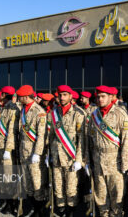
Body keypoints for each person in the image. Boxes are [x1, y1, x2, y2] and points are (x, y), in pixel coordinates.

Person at [86, 85, 128, 216]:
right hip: (98, 163)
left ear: (111, 97)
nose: (100, 99)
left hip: (115, 164)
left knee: (116, 200)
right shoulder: (94, 115)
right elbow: (89, 140)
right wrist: (88, 162)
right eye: (98, 97)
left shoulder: (121, 114)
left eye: (103, 96)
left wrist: (125, 164)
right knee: (101, 200)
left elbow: (126, 141)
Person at [46, 85, 85, 217]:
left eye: (64, 95)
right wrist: (48, 155)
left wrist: (79, 160)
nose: (61, 98)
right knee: (58, 188)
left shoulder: (78, 113)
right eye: (60, 95)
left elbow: (82, 140)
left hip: (71, 158)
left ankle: (71, 212)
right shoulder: (53, 113)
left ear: (71, 96)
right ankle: (61, 210)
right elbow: (50, 136)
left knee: (71, 189)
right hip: (56, 157)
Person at [17, 85, 48, 216]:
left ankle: (39, 211)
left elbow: (41, 135)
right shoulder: (23, 110)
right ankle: (33, 208)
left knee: (37, 184)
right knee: (27, 183)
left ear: (25, 97)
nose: (19, 98)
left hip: (34, 153)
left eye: (20, 96)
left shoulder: (38, 111)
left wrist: (37, 153)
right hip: (24, 152)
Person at [0, 86, 19, 213]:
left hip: (7, 149)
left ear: (4, 95)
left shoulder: (12, 109)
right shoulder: (4, 108)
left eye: (1, 94)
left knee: (8, 177)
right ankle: (6, 201)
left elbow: (11, 132)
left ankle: (12, 204)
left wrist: (8, 150)